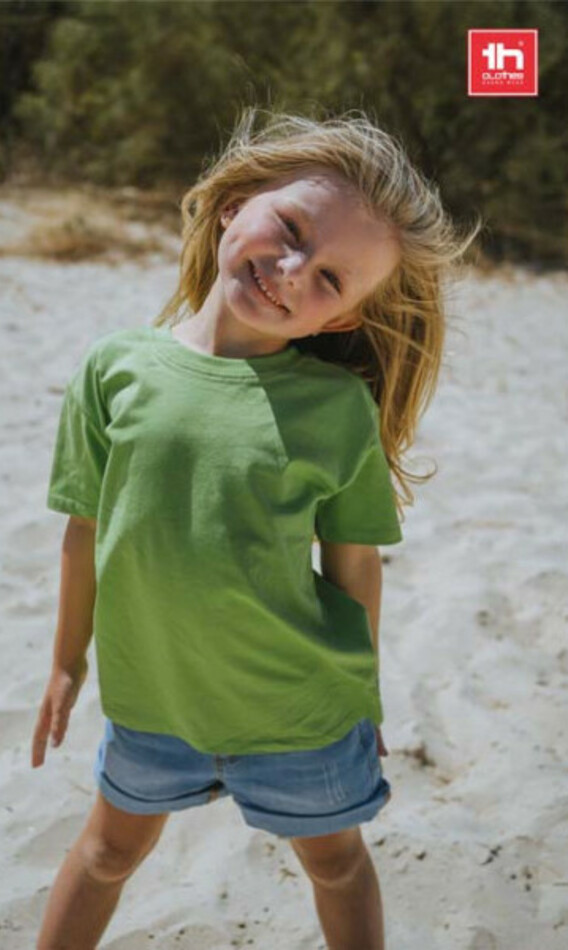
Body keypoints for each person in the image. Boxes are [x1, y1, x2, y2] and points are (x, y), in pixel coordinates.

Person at [32, 108, 481, 950]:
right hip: (151, 703)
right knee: (106, 852)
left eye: (331, 279)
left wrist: (364, 695)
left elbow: (354, 566)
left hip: (302, 714)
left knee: (337, 865)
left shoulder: (336, 410)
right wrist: (64, 662)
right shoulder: (114, 369)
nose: (293, 271)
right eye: (293, 230)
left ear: (337, 322)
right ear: (234, 206)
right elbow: (84, 529)